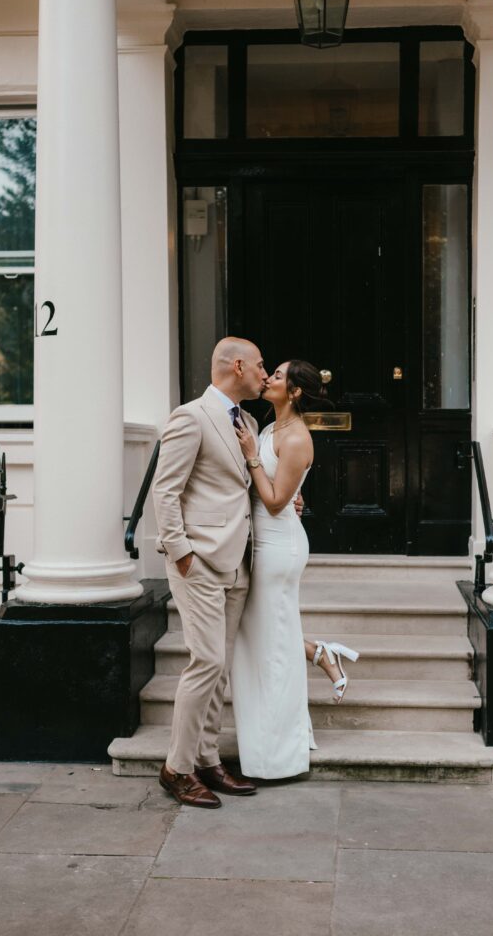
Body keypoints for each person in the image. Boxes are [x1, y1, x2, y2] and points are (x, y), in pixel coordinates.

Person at [152, 336, 267, 809]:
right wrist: (181, 553)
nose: (264, 373)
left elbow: (241, 488)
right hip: (198, 559)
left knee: (219, 669)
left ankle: (207, 759)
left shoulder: (251, 422)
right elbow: (165, 490)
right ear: (236, 366)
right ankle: (176, 768)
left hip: (239, 561)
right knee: (207, 663)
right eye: (259, 365)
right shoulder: (190, 417)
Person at [231, 360, 359, 780]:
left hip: (279, 548)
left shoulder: (298, 438)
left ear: (296, 392)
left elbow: (272, 501)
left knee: (272, 649)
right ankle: (320, 653)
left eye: (279, 376)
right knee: (266, 638)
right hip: (261, 544)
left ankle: (278, 758)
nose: (268, 378)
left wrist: (251, 457)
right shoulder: (269, 429)